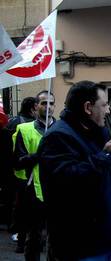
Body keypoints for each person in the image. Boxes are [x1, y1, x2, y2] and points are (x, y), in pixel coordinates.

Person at [38, 81, 111, 260]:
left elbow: (109, 173)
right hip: (78, 242)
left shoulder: (99, 131)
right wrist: (107, 158)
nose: (108, 110)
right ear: (88, 107)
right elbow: (67, 179)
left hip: (103, 237)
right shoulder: (58, 136)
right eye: (104, 105)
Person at [13, 90, 55, 261]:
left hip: (57, 190)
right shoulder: (24, 129)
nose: (48, 107)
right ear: (36, 106)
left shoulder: (62, 129)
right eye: (44, 103)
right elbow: (18, 161)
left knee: (56, 238)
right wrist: (38, 155)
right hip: (33, 190)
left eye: (51, 103)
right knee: (35, 237)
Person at [5, 96, 38, 253]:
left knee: (20, 207)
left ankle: (20, 235)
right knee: (24, 209)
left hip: (20, 173)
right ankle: (21, 238)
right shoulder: (22, 125)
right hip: (24, 173)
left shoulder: (14, 121)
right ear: (33, 108)